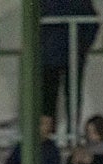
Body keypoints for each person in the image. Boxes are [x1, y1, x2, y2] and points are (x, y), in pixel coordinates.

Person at [41, 0, 99, 133]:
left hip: (55, 56)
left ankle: (54, 136)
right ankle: (68, 135)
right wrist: (83, 47)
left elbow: (92, 23)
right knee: (66, 98)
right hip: (65, 56)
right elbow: (92, 23)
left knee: (51, 100)